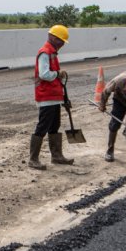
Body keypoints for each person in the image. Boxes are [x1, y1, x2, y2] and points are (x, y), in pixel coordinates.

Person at [30, 24, 73, 170]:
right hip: (46, 97)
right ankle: (33, 159)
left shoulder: (52, 52)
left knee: (55, 126)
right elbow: (44, 74)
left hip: (53, 97)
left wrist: (64, 98)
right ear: (53, 38)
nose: (62, 44)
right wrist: (58, 74)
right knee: (43, 127)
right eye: (61, 40)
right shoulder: (45, 52)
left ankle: (57, 156)